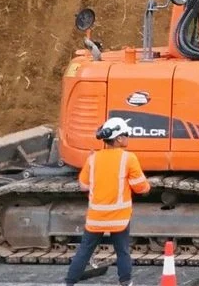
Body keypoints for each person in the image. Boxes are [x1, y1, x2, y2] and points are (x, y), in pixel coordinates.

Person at [66, 117, 150, 286]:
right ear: (119, 138)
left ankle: (69, 282)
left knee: (84, 251)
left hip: (96, 218)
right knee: (122, 251)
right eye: (126, 134)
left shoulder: (94, 158)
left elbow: (83, 186)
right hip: (119, 219)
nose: (128, 137)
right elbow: (142, 188)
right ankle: (125, 282)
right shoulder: (128, 158)